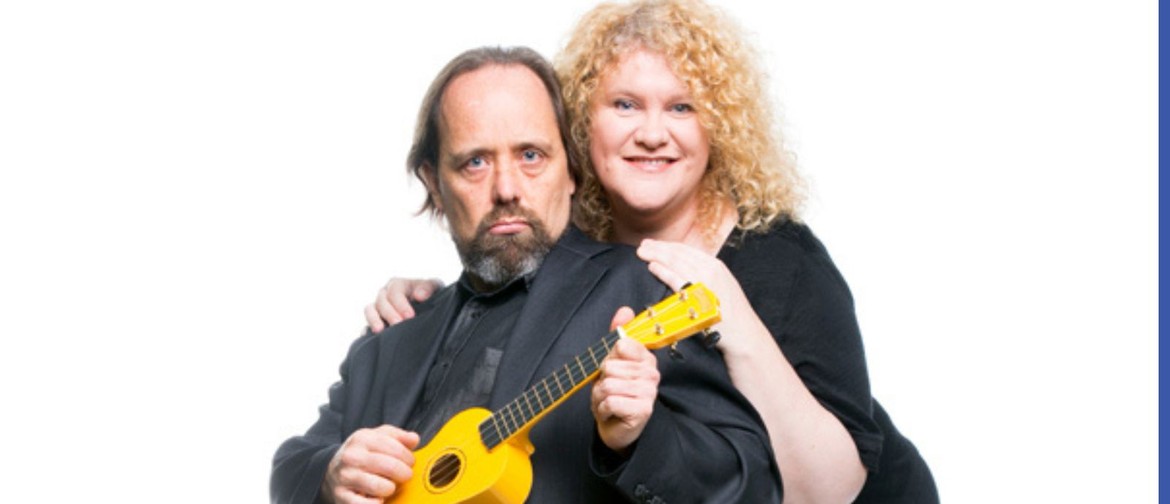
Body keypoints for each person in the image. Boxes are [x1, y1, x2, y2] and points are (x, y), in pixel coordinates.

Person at [364, 1, 938, 502]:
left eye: (682, 108)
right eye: (625, 105)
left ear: (720, 128)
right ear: (582, 124)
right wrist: (428, 307)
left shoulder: (783, 262)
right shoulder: (579, 237)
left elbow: (832, 490)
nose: (652, 133)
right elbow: (501, 268)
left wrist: (734, 320)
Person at [271, 46, 780, 504]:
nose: (507, 188)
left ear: (572, 168)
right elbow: (291, 464)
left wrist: (638, 438)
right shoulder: (394, 330)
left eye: (530, 155)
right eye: (474, 163)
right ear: (434, 182)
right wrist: (330, 475)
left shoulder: (640, 290)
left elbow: (752, 484)